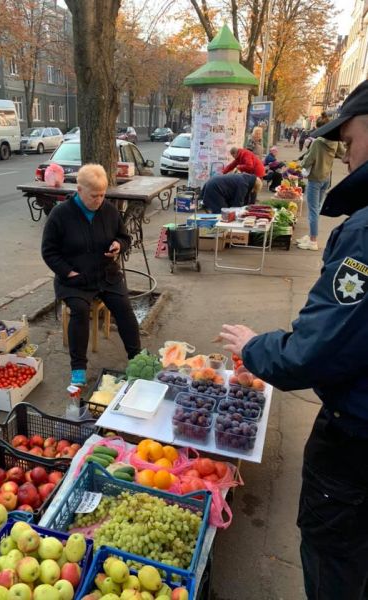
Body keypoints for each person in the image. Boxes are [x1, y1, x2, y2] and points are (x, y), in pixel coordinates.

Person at [216, 79, 368, 600]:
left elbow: (315, 350)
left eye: (349, 140)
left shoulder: (365, 234)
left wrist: (255, 347)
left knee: (335, 564)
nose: (345, 154)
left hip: (356, 443)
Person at [41, 163, 141, 386]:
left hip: (106, 273)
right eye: (94, 196)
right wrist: (68, 271)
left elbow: (124, 237)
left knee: (124, 307)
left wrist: (118, 245)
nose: (99, 201)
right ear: (79, 190)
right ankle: (78, 368)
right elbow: (48, 251)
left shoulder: (109, 210)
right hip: (74, 279)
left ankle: (137, 358)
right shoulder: (60, 214)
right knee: (79, 310)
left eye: (103, 195)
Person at [297, 136, 345, 250]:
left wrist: (303, 160)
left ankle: (313, 241)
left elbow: (307, 161)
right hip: (326, 178)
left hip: (315, 179)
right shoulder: (335, 141)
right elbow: (342, 154)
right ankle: (310, 236)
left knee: (313, 210)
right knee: (317, 209)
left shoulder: (317, 142)